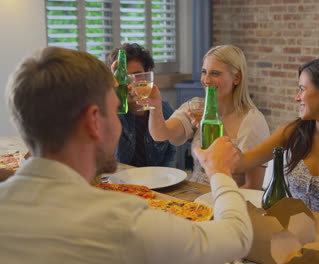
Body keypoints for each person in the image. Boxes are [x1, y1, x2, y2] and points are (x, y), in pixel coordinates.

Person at [0, 46, 253, 263]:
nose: (121, 123)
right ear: (93, 121)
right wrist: (219, 171)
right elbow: (236, 237)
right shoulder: (123, 222)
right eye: (114, 109)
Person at [235, 58, 319, 222]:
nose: (297, 98)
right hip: (287, 235)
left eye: (302, 89)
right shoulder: (293, 132)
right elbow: (243, 162)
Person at [147, 44, 270, 189]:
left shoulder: (252, 121)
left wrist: (218, 200)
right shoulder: (196, 107)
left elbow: (253, 187)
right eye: (204, 72)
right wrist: (155, 105)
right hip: (194, 196)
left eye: (215, 73)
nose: (206, 80)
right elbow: (160, 134)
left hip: (228, 202)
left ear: (236, 78)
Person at [106, 43, 176, 167]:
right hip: (121, 182)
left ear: (148, 73)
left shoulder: (164, 110)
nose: (131, 83)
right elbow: (114, 159)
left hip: (158, 181)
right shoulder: (112, 113)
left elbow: (170, 154)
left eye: (137, 75)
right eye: (125, 77)